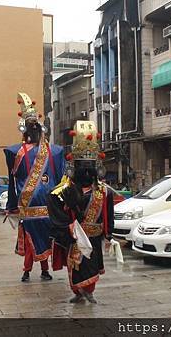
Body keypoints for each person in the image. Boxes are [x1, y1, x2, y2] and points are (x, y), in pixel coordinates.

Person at [47, 120, 114, 304]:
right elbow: (51, 199)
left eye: (89, 165)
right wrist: (66, 225)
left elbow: (108, 214)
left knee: (91, 265)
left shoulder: (104, 191)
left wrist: (109, 235)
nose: (85, 170)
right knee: (75, 266)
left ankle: (89, 291)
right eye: (81, 165)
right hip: (75, 236)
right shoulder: (66, 189)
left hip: (94, 236)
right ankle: (78, 292)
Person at [3, 92, 64, 282]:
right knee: (40, 240)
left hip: (36, 209)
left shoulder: (17, 152)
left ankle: (31, 271)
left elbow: (13, 182)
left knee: (34, 241)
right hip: (43, 208)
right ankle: (37, 270)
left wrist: (12, 205)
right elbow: (61, 182)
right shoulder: (54, 151)